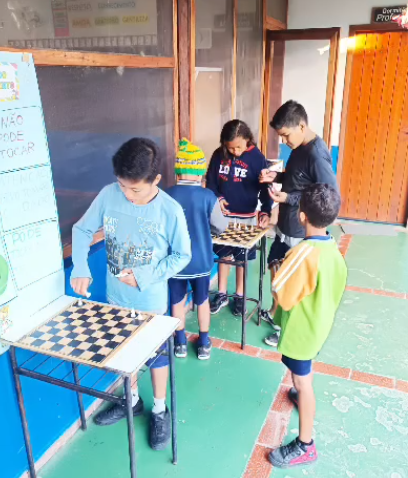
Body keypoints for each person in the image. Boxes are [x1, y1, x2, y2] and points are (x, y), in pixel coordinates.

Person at [70, 138, 191, 450]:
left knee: (156, 356)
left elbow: (182, 255)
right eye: (122, 185)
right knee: (125, 352)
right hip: (116, 299)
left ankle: (160, 410)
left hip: (150, 302)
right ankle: (132, 400)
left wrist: (144, 276)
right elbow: (82, 230)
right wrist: (80, 266)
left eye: (135, 189)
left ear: (156, 180)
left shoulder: (170, 210)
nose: (127, 194)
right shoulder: (108, 195)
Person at [268, 183, 347, 468]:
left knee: (303, 381)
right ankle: (300, 395)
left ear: (301, 216)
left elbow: (281, 294)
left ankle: (305, 445)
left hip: (302, 331)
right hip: (318, 325)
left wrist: (276, 267)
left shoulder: (303, 252)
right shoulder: (333, 251)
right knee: (301, 376)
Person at [260, 100, 338, 347]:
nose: (284, 141)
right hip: (286, 225)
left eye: (285, 135)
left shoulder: (316, 155)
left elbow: (328, 194)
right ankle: (277, 316)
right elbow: (298, 178)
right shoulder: (300, 146)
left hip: (299, 230)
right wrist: (276, 176)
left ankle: (287, 331)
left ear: (301, 127)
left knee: (293, 285)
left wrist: (289, 198)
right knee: (277, 273)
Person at [166, 139, 228, 360]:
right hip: (201, 261)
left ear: (178, 171)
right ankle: (203, 343)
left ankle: (180, 342)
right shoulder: (208, 196)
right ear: (199, 172)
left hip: (174, 262)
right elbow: (220, 226)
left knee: (177, 301)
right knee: (202, 301)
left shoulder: (165, 195)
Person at [206, 120, 272, 316]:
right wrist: (218, 197)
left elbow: (265, 188)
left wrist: (266, 210)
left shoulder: (257, 158)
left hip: (246, 219)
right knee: (224, 255)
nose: (235, 151)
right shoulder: (219, 155)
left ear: (248, 139)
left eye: (239, 147)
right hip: (223, 217)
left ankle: (240, 295)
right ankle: (222, 294)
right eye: (231, 148)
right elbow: (211, 181)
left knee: (242, 258)